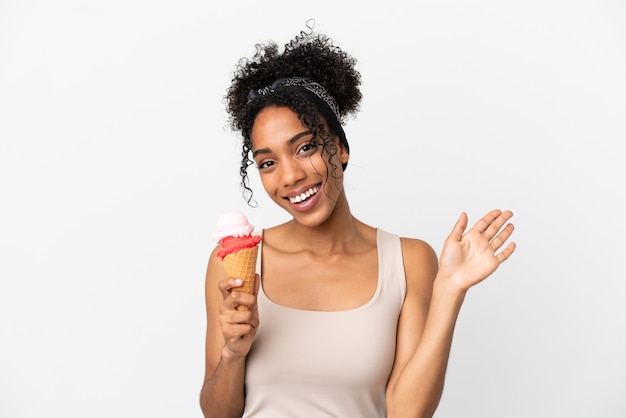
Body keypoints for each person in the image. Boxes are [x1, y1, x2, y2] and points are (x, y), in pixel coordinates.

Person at [200, 26, 516, 418]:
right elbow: (217, 414)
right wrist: (233, 353)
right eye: (268, 163)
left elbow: (407, 412)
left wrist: (449, 289)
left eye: (305, 147)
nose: (289, 177)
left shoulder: (409, 261)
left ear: (341, 148)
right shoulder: (232, 263)